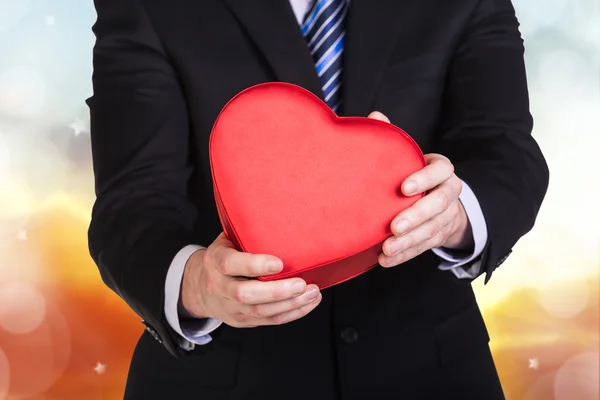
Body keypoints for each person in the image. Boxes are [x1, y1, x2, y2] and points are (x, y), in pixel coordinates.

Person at [87, 0, 549, 398]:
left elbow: (505, 151)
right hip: (218, 379)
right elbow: (132, 202)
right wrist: (198, 286)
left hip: (432, 372)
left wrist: (454, 215)